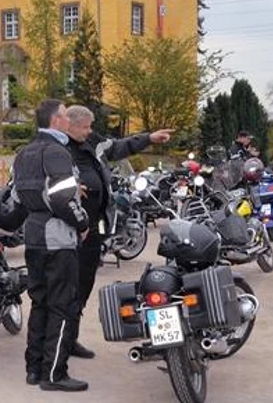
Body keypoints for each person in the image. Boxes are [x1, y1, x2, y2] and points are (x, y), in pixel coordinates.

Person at [64, 106, 172, 359]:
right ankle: (55, 342)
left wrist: (148, 138)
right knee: (64, 286)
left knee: (83, 283)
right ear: (70, 125)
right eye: (85, 126)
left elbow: (116, 147)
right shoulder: (59, 147)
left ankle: (70, 338)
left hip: (93, 226)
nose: (90, 131)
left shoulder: (91, 141)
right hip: (68, 228)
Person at [13, 99, 89, 392]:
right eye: (66, 116)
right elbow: (62, 198)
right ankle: (54, 374)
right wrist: (82, 224)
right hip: (58, 238)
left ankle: (34, 369)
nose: (70, 120)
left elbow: (17, 200)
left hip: (33, 237)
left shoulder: (24, 153)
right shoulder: (57, 151)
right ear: (56, 120)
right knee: (63, 305)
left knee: (41, 302)